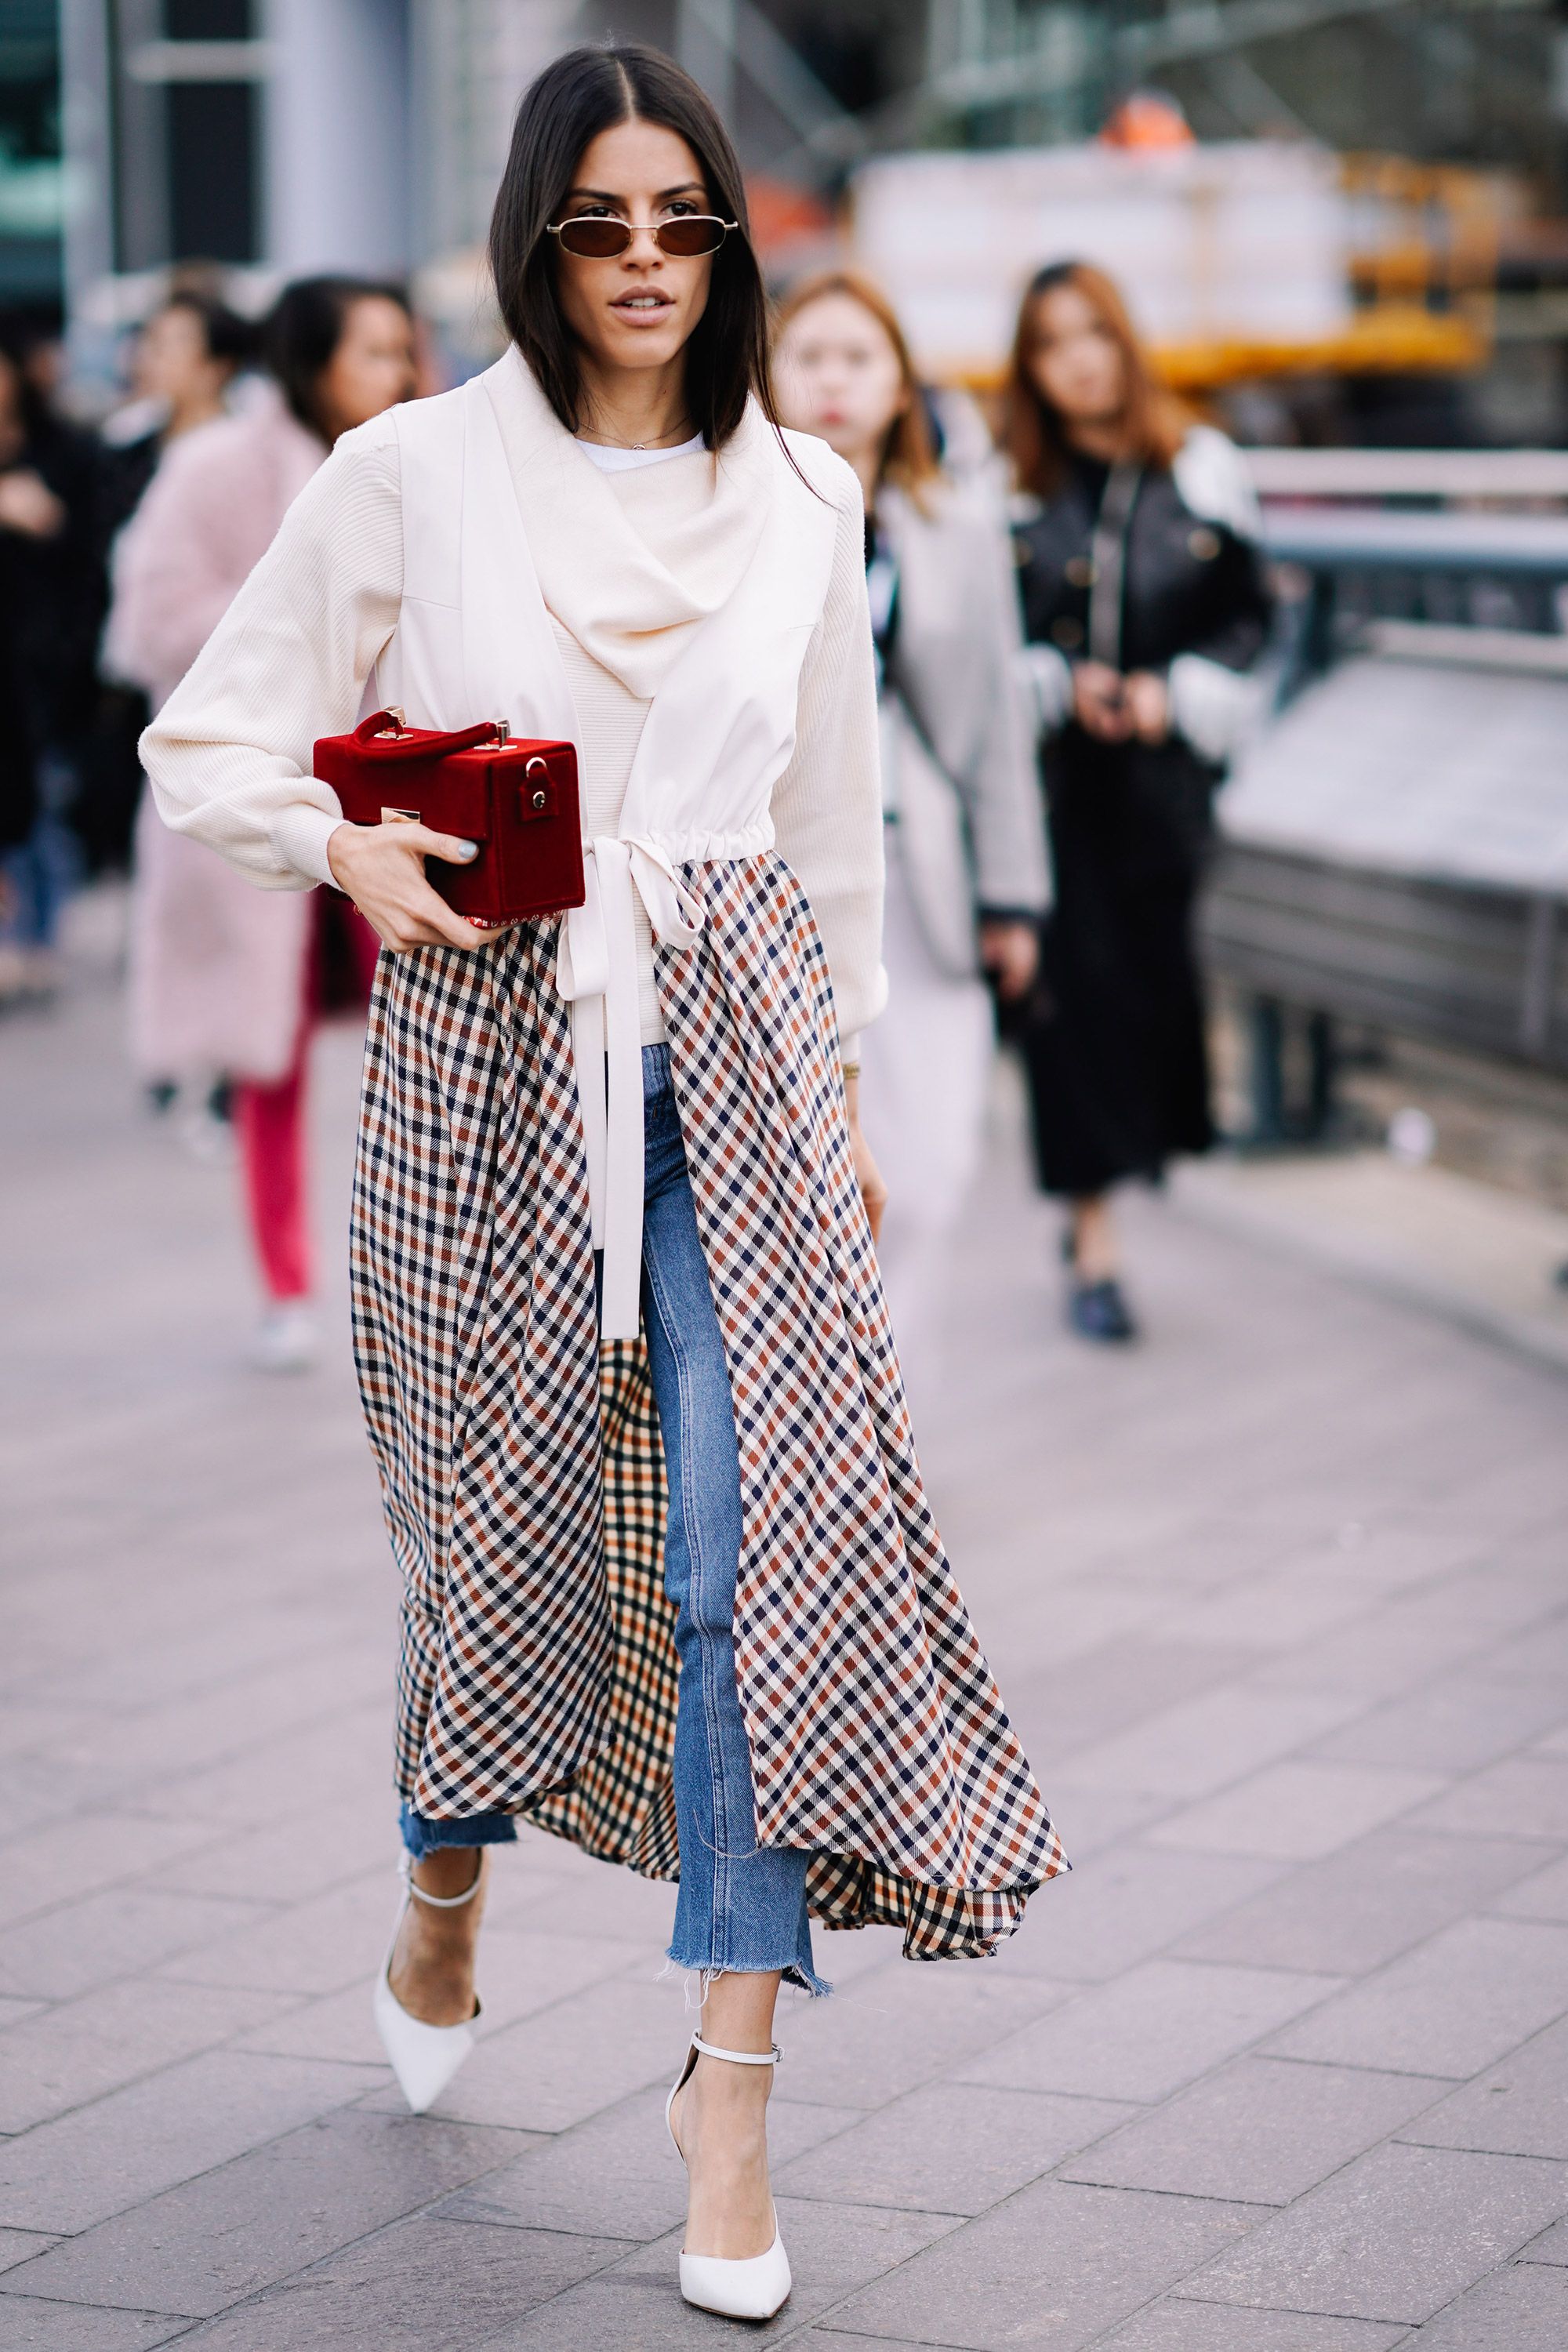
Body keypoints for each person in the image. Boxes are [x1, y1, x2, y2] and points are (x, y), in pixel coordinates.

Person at [142, 44, 1064, 2325]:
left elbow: (831, 827)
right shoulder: (412, 470)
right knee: (493, 1531)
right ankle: (443, 1880)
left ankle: (725, 2083)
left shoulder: (806, 490)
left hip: (738, 1049)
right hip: (485, 1050)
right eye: (601, 221)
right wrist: (339, 839)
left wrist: (839, 1092)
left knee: (753, 1548)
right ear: (536, 238)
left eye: (684, 220)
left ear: (732, 242)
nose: (646, 260)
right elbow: (206, 738)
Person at [111, 277, 416, 1369]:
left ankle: (426, 1278)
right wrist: (289, 634)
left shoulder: (417, 463)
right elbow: (151, 623)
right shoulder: (222, 467)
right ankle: (287, 1283)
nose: (397, 372)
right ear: (312, 359)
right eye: (372, 351)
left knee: (433, 1030)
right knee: (268, 1060)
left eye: (403, 349)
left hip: (392, 802)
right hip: (271, 806)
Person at [775, 271, 1047, 1396]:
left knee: (928, 1173)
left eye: (859, 359)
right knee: (797, 1186)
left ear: (900, 387)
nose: (834, 380)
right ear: (766, 371)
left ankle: (893, 1414)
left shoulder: (956, 529)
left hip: (926, 884)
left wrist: (1015, 898)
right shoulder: (734, 519)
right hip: (778, 889)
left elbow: (995, 729)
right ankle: (808, 1432)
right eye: (810, 356)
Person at [1004, 260, 1273, 1342]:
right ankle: (1092, 1237)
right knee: (1066, 1015)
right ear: (1031, 365)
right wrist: (1056, 685)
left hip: (1160, 794)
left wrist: (1177, 697)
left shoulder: (1202, 468)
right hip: (1053, 794)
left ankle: (1117, 1195)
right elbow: (976, 641)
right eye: (1053, 341)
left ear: (1127, 342)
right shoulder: (1011, 483)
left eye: (1095, 334)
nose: (1080, 359)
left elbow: (1251, 621)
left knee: (1153, 1000)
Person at [0, 317, 107, 1004]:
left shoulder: (60, 450)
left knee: (37, 800)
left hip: (41, 662)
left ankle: (35, 939)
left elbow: (88, 558)